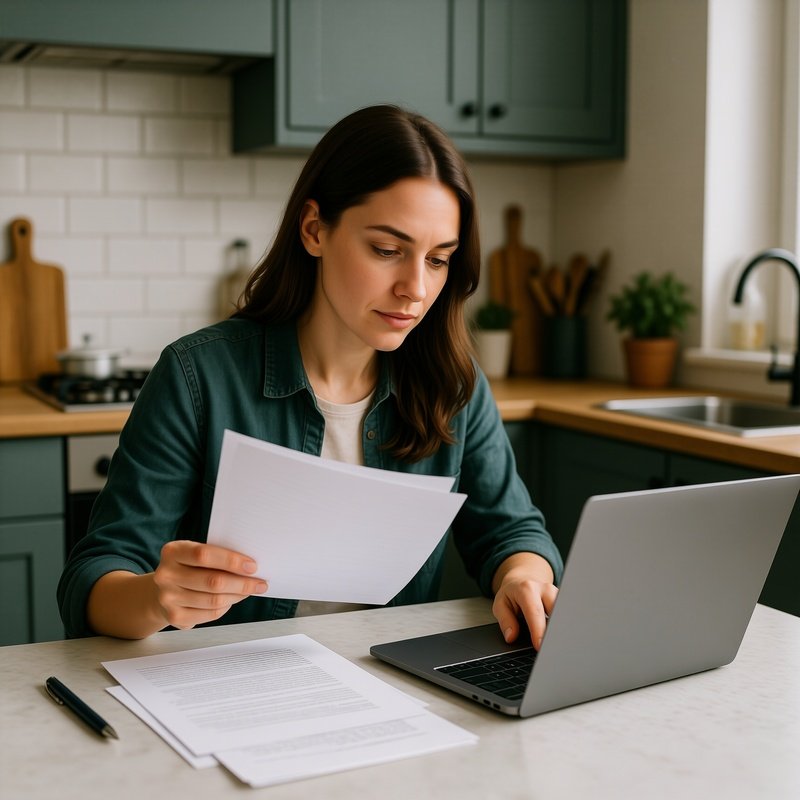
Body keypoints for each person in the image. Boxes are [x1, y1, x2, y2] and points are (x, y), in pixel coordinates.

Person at [57, 105, 563, 647]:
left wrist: (521, 577)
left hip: (386, 690)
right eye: (387, 250)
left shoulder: (452, 384)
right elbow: (93, 580)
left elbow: (513, 532)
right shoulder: (197, 375)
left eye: (438, 259)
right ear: (314, 229)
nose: (415, 288)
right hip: (227, 691)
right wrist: (156, 597)